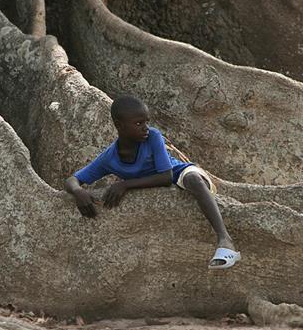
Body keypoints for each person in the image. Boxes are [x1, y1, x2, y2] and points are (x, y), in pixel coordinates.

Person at [64, 95, 240, 269]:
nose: (145, 128)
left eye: (146, 122)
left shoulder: (153, 136)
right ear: (119, 125)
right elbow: (73, 179)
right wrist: (78, 192)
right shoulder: (109, 158)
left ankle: (225, 241)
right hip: (160, 180)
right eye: (139, 123)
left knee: (193, 179)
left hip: (180, 172)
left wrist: (125, 184)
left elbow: (166, 176)